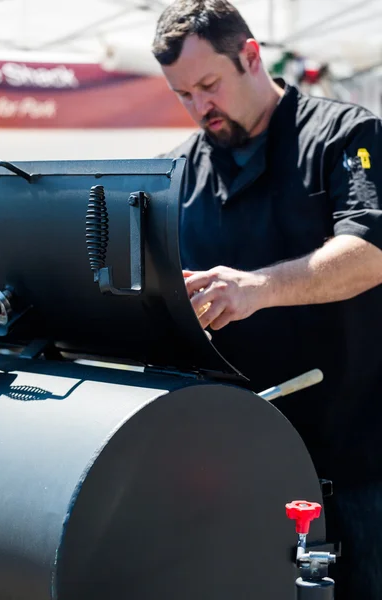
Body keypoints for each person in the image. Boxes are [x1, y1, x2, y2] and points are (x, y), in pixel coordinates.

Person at [151, 1, 382, 598]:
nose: (200, 106)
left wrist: (259, 288)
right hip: (232, 458)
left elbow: (371, 252)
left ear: (252, 56)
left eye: (209, 84)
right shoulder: (175, 171)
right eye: (183, 94)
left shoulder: (344, 133)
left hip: (355, 455)